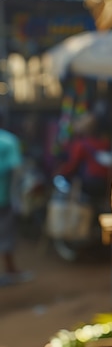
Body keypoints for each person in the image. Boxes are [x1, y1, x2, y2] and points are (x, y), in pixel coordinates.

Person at [0, 113, 32, 286]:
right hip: (4, 197)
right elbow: (17, 170)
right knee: (6, 235)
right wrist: (17, 197)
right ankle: (10, 270)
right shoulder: (9, 141)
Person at [56, 112, 112, 204]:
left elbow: (72, 165)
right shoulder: (105, 144)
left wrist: (60, 173)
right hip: (106, 185)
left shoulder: (80, 145)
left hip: (88, 185)